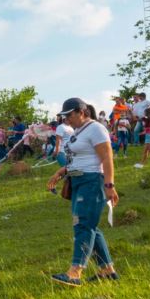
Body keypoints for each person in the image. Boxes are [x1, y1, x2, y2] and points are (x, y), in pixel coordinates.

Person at [47, 98, 119, 286]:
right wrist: (60, 172)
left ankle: (75, 272)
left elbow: (107, 157)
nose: (66, 119)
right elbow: (77, 158)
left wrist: (109, 185)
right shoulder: (79, 131)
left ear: (81, 111)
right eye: (64, 116)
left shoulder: (96, 128)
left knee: (83, 226)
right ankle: (107, 270)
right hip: (77, 180)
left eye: (69, 115)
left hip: (92, 181)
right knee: (90, 226)